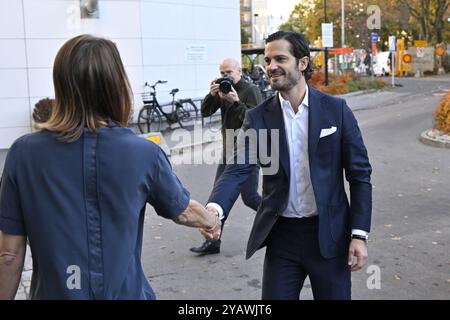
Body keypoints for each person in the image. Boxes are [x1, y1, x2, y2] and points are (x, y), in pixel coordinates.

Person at [0, 34, 221, 300]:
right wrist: (211, 220)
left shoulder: (23, 154)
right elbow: (183, 211)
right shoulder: (144, 153)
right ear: (116, 84)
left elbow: (9, 255)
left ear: (61, 84)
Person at [201, 31, 372, 299]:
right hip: (282, 238)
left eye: (280, 58)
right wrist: (214, 211)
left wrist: (359, 234)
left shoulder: (336, 110)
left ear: (302, 63)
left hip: (328, 236)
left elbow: (360, 175)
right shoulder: (258, 117)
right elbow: (238, 167)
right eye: (268, 60)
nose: (271, 66)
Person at [190, 58, 263, 255]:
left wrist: (236, 102)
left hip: (248, 152)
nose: (225, 76)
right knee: (219, 197)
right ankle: (213, 241)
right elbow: (205, 112)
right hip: (228, 150)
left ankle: (280, 219)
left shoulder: (251, 90)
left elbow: (256, 121)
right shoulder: (223, 89)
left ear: (239, 70)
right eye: (222, 73)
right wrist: (212, 95)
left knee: (250, 198)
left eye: (229, 72)